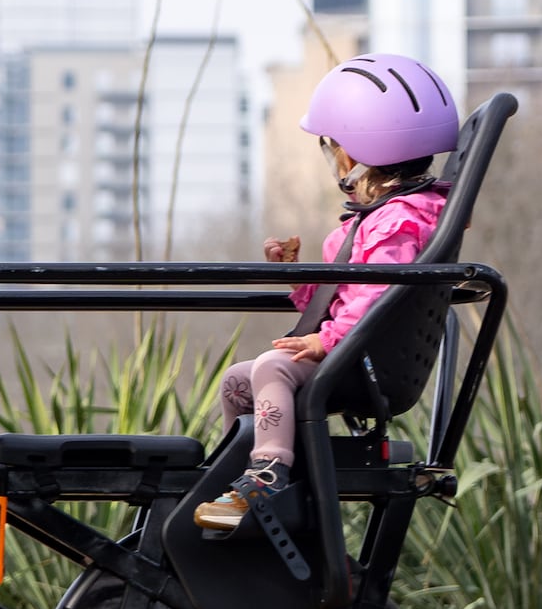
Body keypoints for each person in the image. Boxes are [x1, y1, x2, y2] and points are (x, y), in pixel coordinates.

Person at [193, 53, 460, 537]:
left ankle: (268, 473)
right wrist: (300, 277)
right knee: (239, 379)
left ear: (355, 155)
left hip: (365, 361)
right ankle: (237, 475)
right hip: (353, 350)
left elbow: (380, 295)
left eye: (332, 148)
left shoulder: (398, 222)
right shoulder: (376, 219)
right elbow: (347, 295)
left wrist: (329, 341)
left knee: (272, 367)